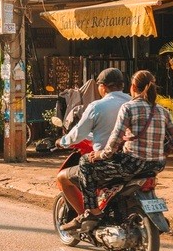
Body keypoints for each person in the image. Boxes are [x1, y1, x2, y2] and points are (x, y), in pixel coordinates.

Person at [61, 70, 173, 232]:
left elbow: (115, 140)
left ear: (132, 87)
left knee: (85, 163)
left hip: (131, 165)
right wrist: (161, 154)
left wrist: (100, 155)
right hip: (155, 167)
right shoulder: (161, 110)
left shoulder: (129, 107)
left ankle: (92, 212)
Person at [54, 68, 129, 216]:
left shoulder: (97, 106)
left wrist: (61, 141)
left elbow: (77, 134)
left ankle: (87, 215)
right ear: (122, 85)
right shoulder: (133, 102)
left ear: (102, 87)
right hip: (131, 160)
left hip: (106, 161)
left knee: (64, 176)